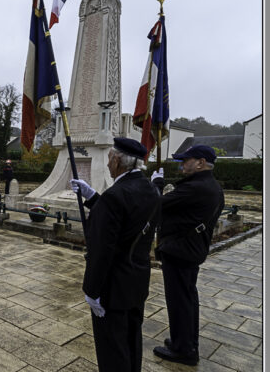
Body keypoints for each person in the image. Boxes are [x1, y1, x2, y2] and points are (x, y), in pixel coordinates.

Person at [70, 137, 160, 372]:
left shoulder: (115, 195)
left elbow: (102, 249)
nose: (108, 163)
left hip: (113, 285)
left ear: (118, 161)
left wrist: (91, 290)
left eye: (109, 157)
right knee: (131, 340)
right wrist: (92, 198)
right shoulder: (150, 189)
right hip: (136, 279)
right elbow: (126, 221)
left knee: (112, 348)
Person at [151, 145, 224, 366]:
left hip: (180, 251)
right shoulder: (211, 186)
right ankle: (185, 342)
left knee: (179, 301)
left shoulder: (196, 187)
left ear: (201, 163)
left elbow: (156, 205)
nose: (182, 165)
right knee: (187, 299)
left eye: (186, 160)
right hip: (191, 250)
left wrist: (156, 185)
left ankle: (184, 350)